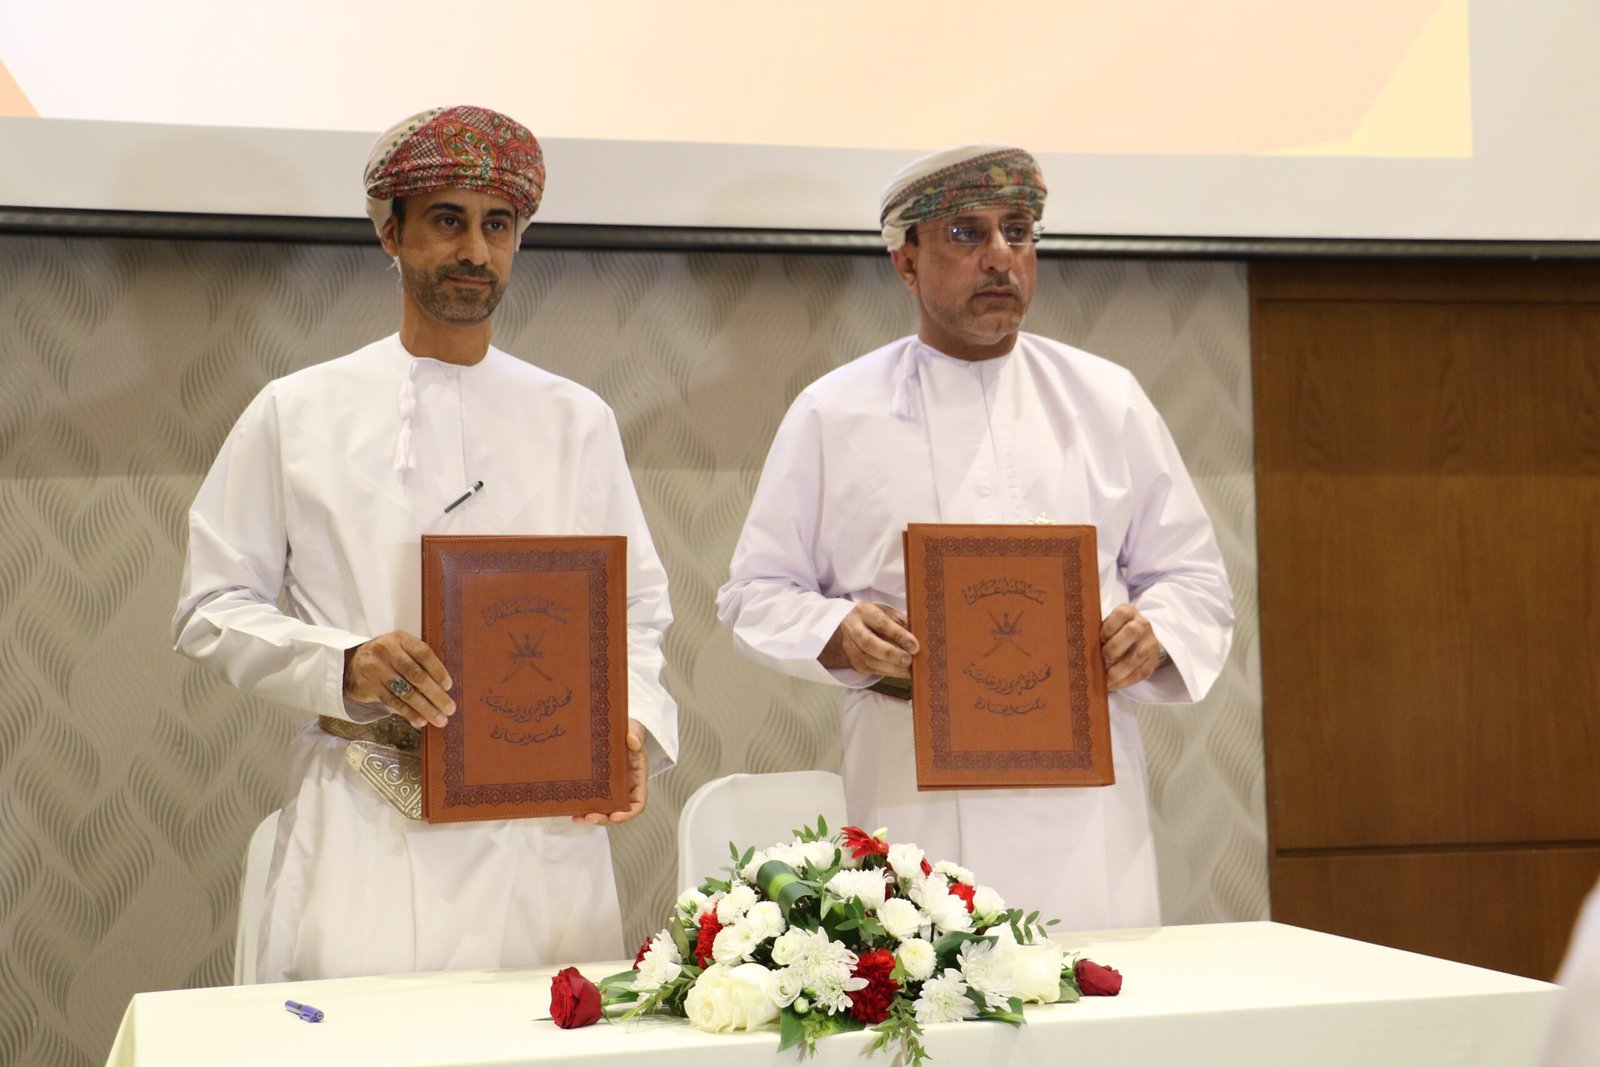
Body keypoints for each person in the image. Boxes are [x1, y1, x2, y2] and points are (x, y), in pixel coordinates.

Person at [173, 105, 677, 982]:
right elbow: (210, 606)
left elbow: (635, 609)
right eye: (448, 221)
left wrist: (630, 722)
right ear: (391, 233)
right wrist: (345, 662)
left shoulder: (576, 418)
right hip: (365, 816)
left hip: (541, 831)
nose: (475, 251)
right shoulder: (298, 410)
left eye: (498, 225)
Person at [716, 144, 1232, 929]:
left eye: (1017, 232)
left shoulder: (1107, 399)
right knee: (930, 989)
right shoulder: (833, 412)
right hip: (912, 792)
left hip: (1086, 808)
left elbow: (1194, 579)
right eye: (966, 233)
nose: (999, 256)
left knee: (1097, 992)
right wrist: (837, 631)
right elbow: (754, 593)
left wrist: (1156, 632)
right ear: (906, 262)